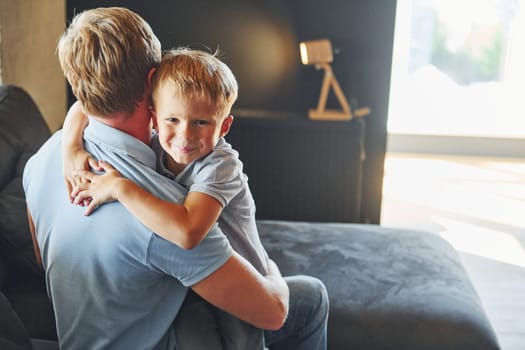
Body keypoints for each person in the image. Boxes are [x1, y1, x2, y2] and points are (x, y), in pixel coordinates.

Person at [23, 6, 328, 350]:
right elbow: (271, 313)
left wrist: (69, 141)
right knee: (311, 297)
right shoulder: (163, 209)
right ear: (154, 82)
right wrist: (272, 272)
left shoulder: (42, 161)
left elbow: (41, 257)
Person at [63, 47, 269, 348]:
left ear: (224, 126)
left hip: (240, 290)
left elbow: (188, 231)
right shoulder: (158, 140)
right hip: (192, 285)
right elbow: (83, 107)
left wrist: (119, 187)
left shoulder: (220, 165)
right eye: (173, 119)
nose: (185, 135)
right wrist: (70, 147)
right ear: (153, 118)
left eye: (201, 123)